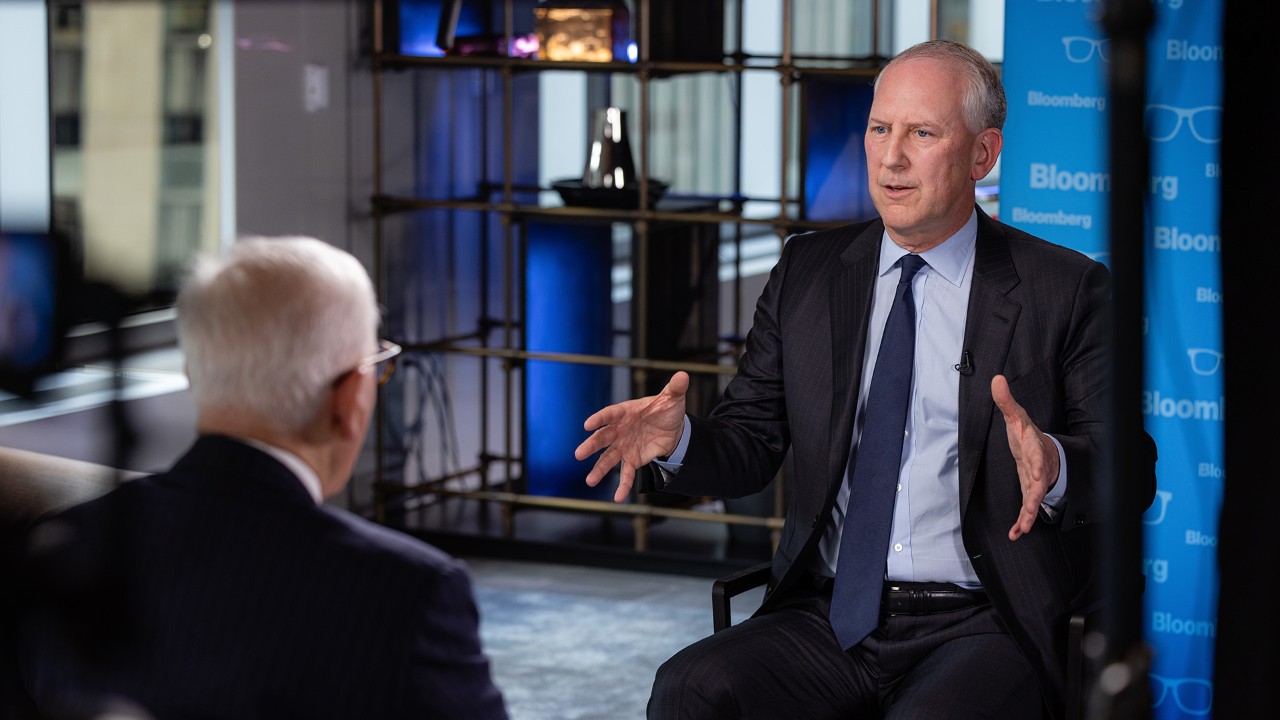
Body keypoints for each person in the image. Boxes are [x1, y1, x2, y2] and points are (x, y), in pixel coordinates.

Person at [575, 40, 1155, 719]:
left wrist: (1054, 464)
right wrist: (679, 443)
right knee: (690, 687)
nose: (891, 157)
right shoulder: (807, 272)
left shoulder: (1065, 288)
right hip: (827, 614)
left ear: (983, 154)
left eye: (922, 133)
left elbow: (1131, 470)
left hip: (983, 620)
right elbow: (749, 443)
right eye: (880, 128)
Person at [12, 236, 508, 720]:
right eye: (379, 366)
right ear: (350, 398)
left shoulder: (61, 549)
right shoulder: (407, 594)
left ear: (193, 375)